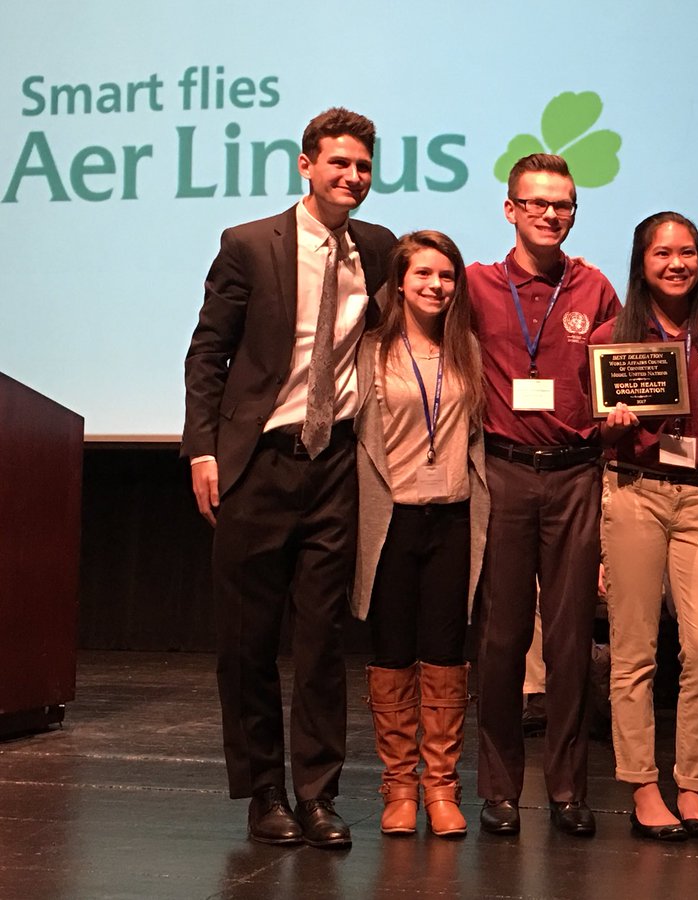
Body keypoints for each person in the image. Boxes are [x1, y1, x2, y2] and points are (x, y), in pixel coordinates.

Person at [182, 108, 397, 848]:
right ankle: (263, 792)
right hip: (257, 462)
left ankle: (317, 793)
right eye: (339, 163)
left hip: (335, 463)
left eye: (364, 166)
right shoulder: (249, 245)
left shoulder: (378, 247)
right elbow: (209, 354)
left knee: (322, 641)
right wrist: (203, 451)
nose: (353, 177)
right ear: (306, 165)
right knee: (247, 643)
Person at [468, 153, 620, 837]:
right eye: (537, 203)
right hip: (500, 471)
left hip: (575, 473)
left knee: (567, 643)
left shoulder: (595, 289)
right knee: (500, 641)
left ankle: (566, 790)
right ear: (510, 210)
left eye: (563, 205)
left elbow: (624, 376)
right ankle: (498, 789)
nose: (551, 214)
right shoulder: (473, 285)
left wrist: (623, 412)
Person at [591, 212, 698, 841]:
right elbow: (589, 428)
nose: (677, 264)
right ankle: (645, 788)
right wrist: (612, 425)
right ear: (641, 262)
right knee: (634, 652)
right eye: (662, 254)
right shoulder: (611, 337)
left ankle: (696, 786)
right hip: (633, 491)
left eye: (687, 253)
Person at [351, 231, 488, 838]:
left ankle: (441, 785)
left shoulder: (470, 351)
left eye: (447, 276)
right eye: (424, 274)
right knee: (392, 653)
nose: (436, 286)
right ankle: (399, 786)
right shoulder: (369, 350)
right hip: (391, 520)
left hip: (454, 518)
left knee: (445, 654)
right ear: (399, 282)